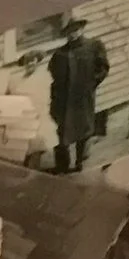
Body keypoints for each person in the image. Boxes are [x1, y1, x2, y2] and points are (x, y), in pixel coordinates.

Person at [46, 16, 110, 174]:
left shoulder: (94, 46)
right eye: (69, 31)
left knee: (83, 131)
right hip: (63, 100)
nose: (73, 33)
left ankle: (80, 163)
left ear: (81, 29)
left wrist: (90, 85)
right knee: (60, 133)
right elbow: (52, 74)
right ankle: (62, 166)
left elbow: (103, 68)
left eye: (76, 30)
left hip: (83, 98)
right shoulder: (60, 54)